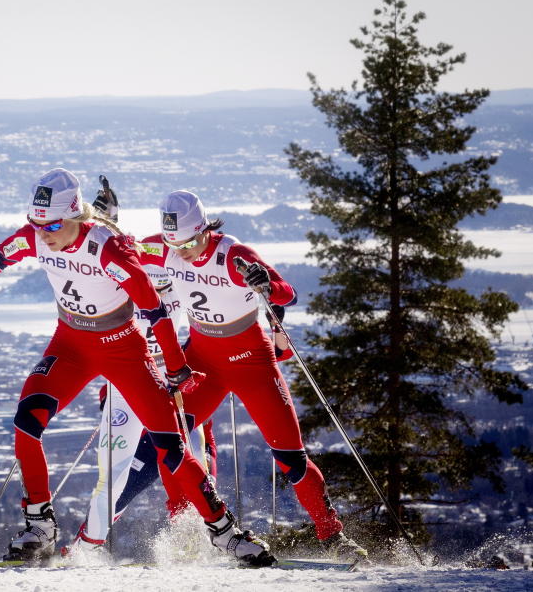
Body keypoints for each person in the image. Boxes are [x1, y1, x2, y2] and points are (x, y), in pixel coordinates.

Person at [0, 168, 274, 566]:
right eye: (37, 222)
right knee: (25, 423)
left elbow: (154, 309)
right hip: (71, 346)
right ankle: (40, 526)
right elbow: (0, 257)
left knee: (170, 447)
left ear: (74, 216)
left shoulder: (107, 247)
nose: (43, 232)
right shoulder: (35, 235)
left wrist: (176, 366)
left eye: (52, 223)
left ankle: (226, 534)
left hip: (124, 352)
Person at [139, 190, 367, 563]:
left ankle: (333, 536)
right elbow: (120, 252)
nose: (183, 252)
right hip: (202, 362)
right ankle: (198, 529)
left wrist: (265, 282)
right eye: (173, 243)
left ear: (205, 229)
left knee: (291, 458)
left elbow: (287, 294)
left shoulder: (234, 255)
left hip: (252, 362)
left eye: (192, 242)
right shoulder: (163, 248)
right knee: (170, 447)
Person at [68, 263, 216, 553]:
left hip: (175, 409)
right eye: (150, 288)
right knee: (119, 485)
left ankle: (197, 549)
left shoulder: (181, 300)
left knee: (193, 476)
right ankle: (82, 550)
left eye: (161, 288)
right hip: (134, 407)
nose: (155, 296)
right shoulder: (120, 299)